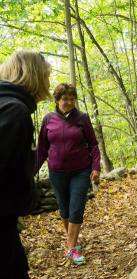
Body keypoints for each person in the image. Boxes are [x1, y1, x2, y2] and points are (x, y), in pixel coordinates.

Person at [0, 50, 62, 279]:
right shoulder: (14, 110)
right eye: (46, 75)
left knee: (16, 271)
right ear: (34, 75)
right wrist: (26, 198)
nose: (48, 82)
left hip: (4, 217)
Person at [35, 83, 101, 265]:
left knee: (76, 207)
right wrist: (32, 171)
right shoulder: (48, 120)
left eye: (72, 99)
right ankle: (73, 240)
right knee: (64, 209)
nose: (69, 102)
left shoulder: (82, 118)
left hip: (80, 171)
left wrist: (96, 167)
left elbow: (93, 145)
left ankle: (71, 248)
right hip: (57, 172)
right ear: (57, 100)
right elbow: (42, 148)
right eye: (65, 99)